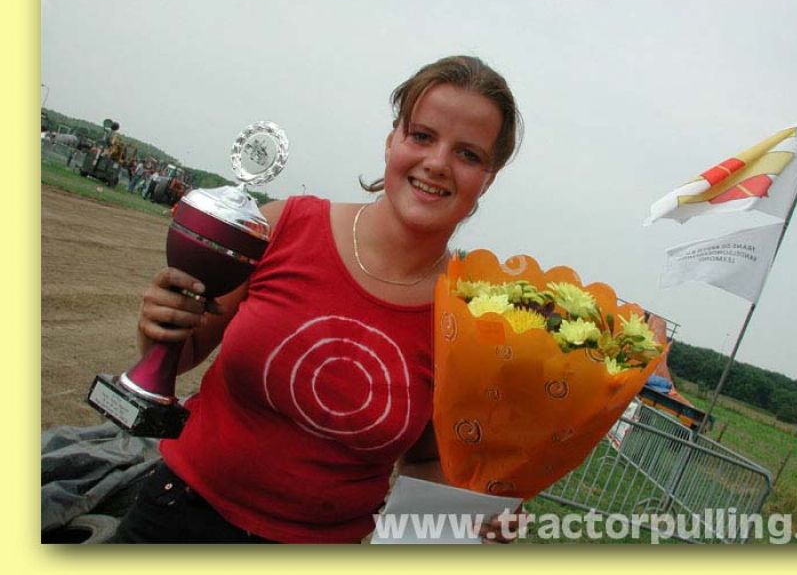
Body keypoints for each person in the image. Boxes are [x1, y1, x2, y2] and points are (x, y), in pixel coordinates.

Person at [112, 56, 523, 544]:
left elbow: (424, 458)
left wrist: (467, 509)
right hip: (175, 516)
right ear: (392, 140)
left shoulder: (465, 317)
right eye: (422, 136)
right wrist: (160, 323)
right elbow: (179, 355)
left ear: (488, 178)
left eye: (468, 154)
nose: (437, 162)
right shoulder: (283, 225)